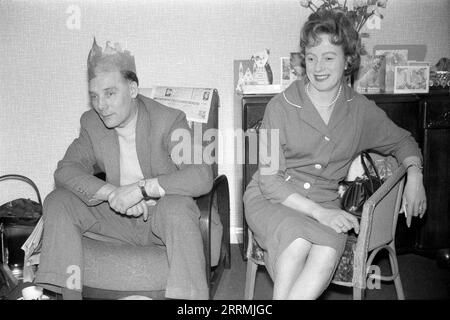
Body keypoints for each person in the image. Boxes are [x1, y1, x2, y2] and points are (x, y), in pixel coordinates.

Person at [243, 9, 426, 300]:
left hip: (327, 203)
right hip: (273, 199)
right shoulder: (280, 106)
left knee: (327, 252)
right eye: (311, 57)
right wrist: (322, 214)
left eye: (328, 57)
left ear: (348, 61)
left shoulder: (360, 110)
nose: (318, 67)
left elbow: (402, 141)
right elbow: (269, 181)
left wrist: (415, 174)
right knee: (297, 243)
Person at [35, 39, 213, 300]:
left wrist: (141, 189)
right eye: (94, 96)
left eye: (109, 93)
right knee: (57, 201)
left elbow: (201, 175)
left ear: (132, 89)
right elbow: (65, 170)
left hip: (159, 218)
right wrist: (111, 193)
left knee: (179, 207)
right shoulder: (91, 123)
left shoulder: (168, 120)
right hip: (116, 218)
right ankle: (68, 296)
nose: (101, 105)